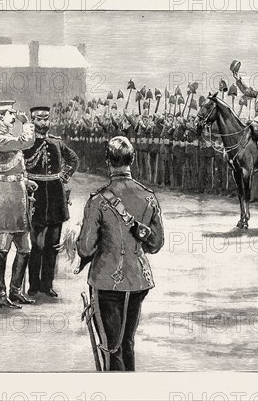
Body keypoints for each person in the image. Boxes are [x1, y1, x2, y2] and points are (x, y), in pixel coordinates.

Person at [76, 136, 164, 371]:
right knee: (127, 342)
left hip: (106, 281)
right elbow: (156, 243)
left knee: (111, 347)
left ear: (107, 161)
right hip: (137, 281)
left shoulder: (97, 200)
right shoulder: (148, 196)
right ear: (132, 160)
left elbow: (85, 247)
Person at [23, 106, 79, 298]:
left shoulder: (57, 143)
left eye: (46, 119)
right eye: (39, 119)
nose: (44, 123)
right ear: (32, 121)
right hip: (35, 197)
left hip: (55, 197)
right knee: (35, 246)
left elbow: (73, 159)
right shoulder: (26, 144)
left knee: (52, 246)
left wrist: (64, 175)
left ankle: (47, 285)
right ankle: (33, 285)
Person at [0, 100, 37, 308]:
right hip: (4, 196)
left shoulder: (6, 136)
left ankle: (15, 291)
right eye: (10, 114)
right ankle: (0, 294)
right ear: (0, 117)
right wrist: (27, 124)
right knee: (2, 247)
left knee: (25, 248)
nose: (14, 116)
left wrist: (25, 180)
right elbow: (25, 142)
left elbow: (12, 166)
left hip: (17, 194)